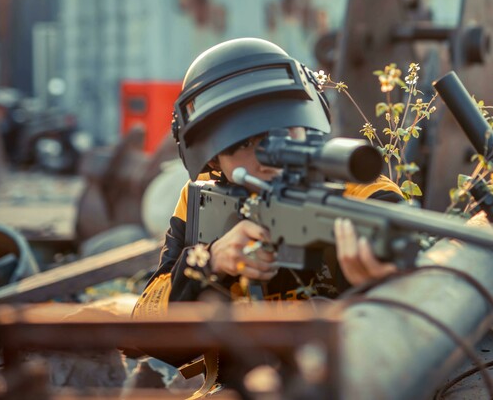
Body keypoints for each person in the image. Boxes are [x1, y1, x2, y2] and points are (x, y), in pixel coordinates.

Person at [132, 38, 403, 320]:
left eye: (287, 131)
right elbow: (144, 324)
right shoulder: (201, 203)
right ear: (213, 159)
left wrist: (373, 286)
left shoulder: (362, 195)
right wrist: (211, 262)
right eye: (247, 143)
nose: (271, 160)